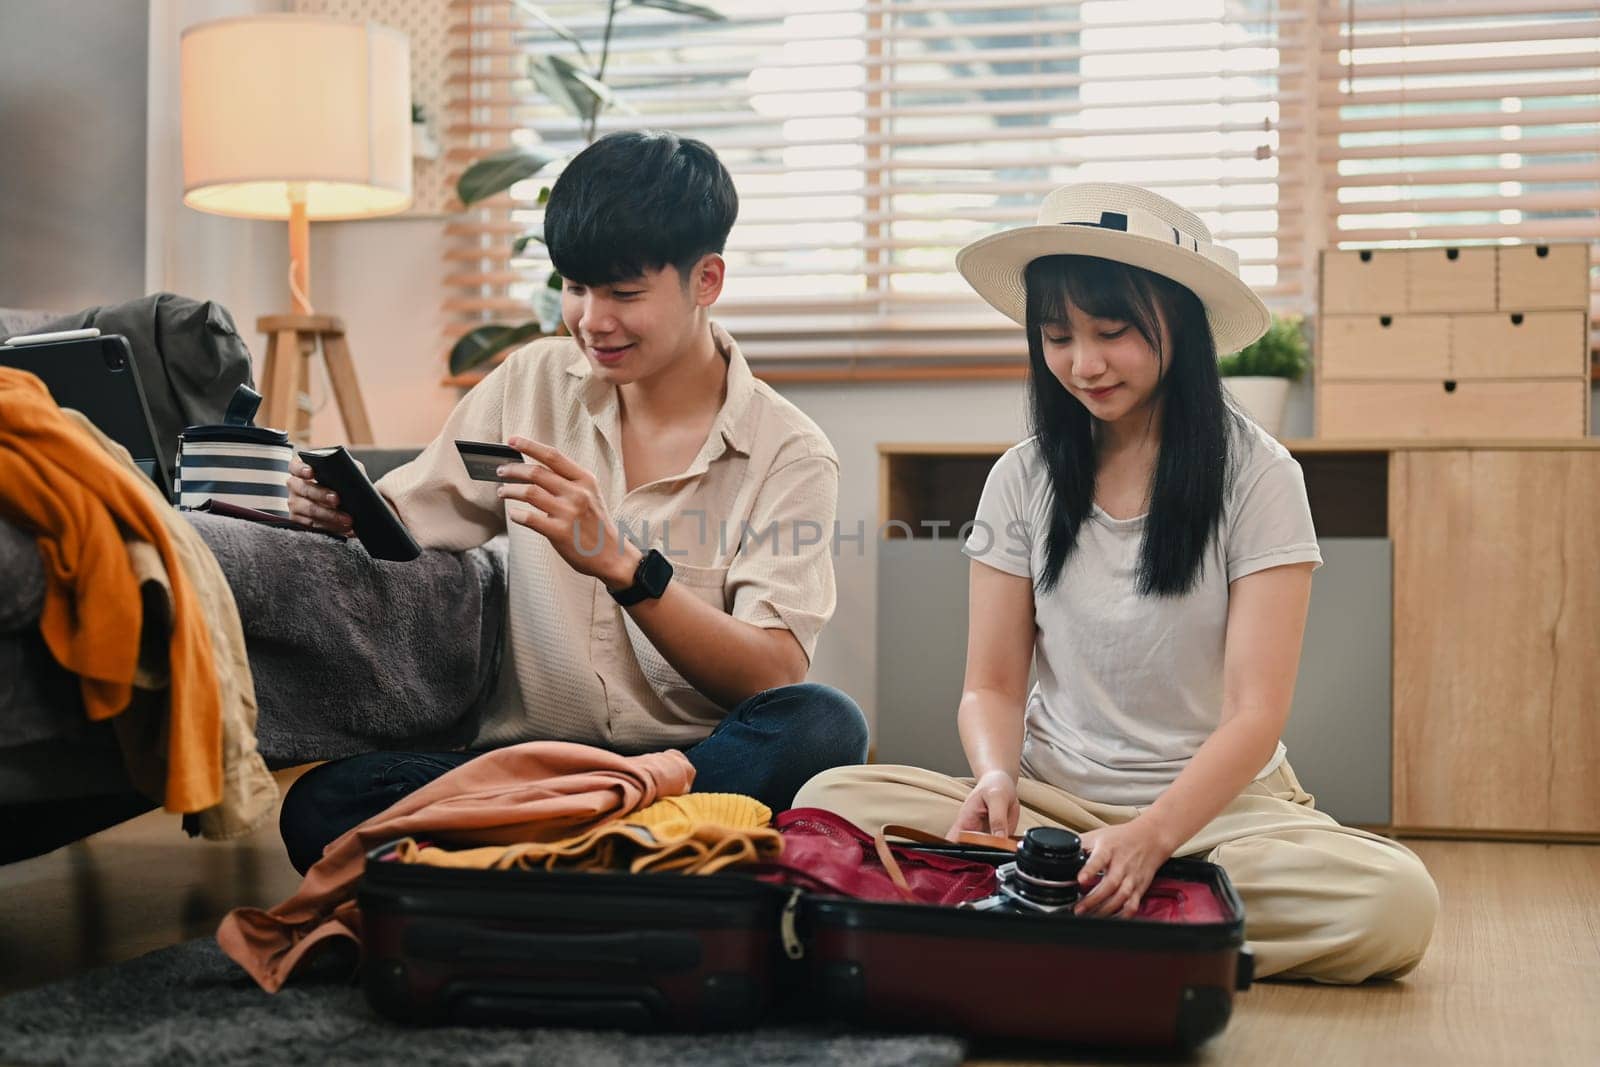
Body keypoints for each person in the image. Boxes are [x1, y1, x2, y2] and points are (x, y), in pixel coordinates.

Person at [794, 183, 1437, 984]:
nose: (1083, 363)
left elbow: (1254, 711)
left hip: (1218, 816)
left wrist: (1154, 834)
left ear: (1180, 323)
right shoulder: (1021, 476)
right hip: (1051, 810)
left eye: (1112, 331)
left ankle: (1050, 912)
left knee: (1396, 902)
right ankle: (1159, 917)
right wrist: (996, 776)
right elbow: (990, 686)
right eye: (1058, 336)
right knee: (829, 797)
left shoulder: (1260, 475)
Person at [277, 130, 866, 874]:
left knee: (823, 726)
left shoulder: (788, 452)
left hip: (692, 768)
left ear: (706, 280)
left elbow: (773, 673)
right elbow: (414, 514)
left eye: (624, 293)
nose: (592, 319)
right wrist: (339, 509)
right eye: (576, 287)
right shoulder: (531, 383)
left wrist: (625, 567)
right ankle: (626, 853)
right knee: (321, 806)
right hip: (530, 769)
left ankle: (545, 857)